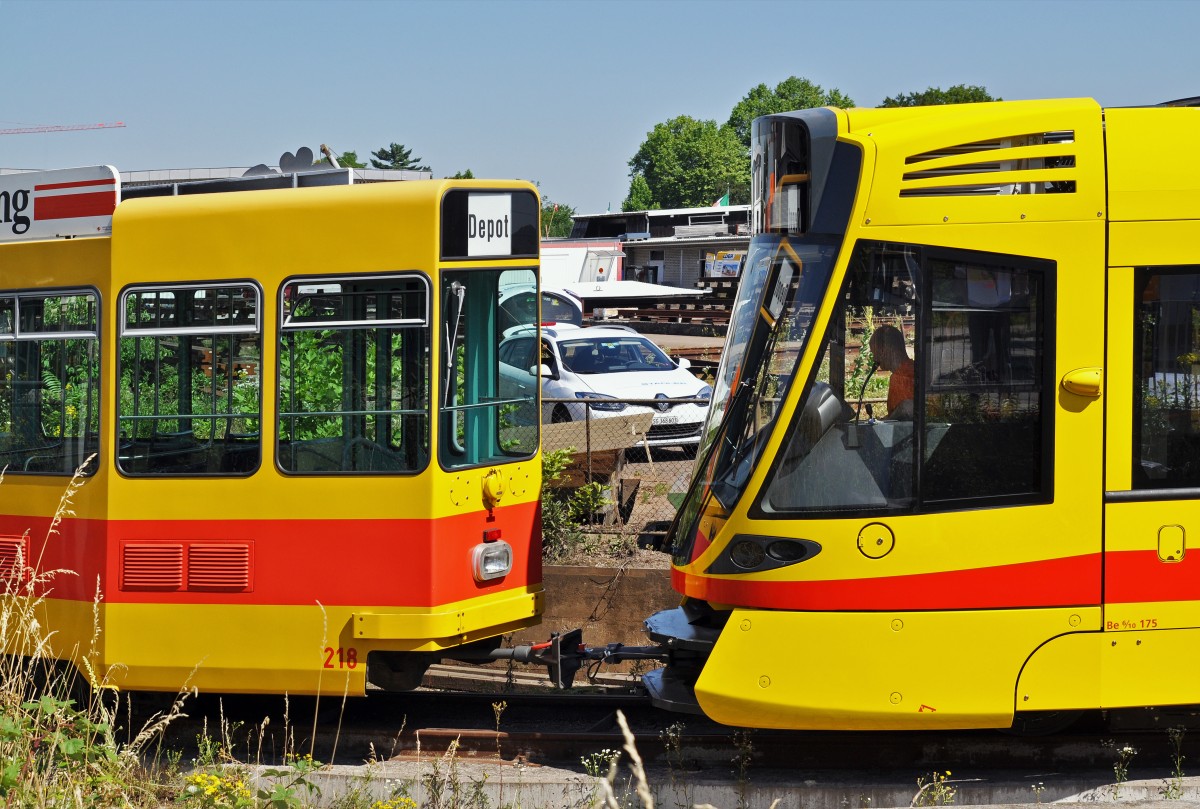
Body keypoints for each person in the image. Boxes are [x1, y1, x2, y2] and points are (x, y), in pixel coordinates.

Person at [869, 324, 914, 420]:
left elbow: (908, 410)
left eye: (874, 352)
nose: (874, 358)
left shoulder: (903, 377)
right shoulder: (910, 369)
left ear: (884, 350)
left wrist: (888, 421)